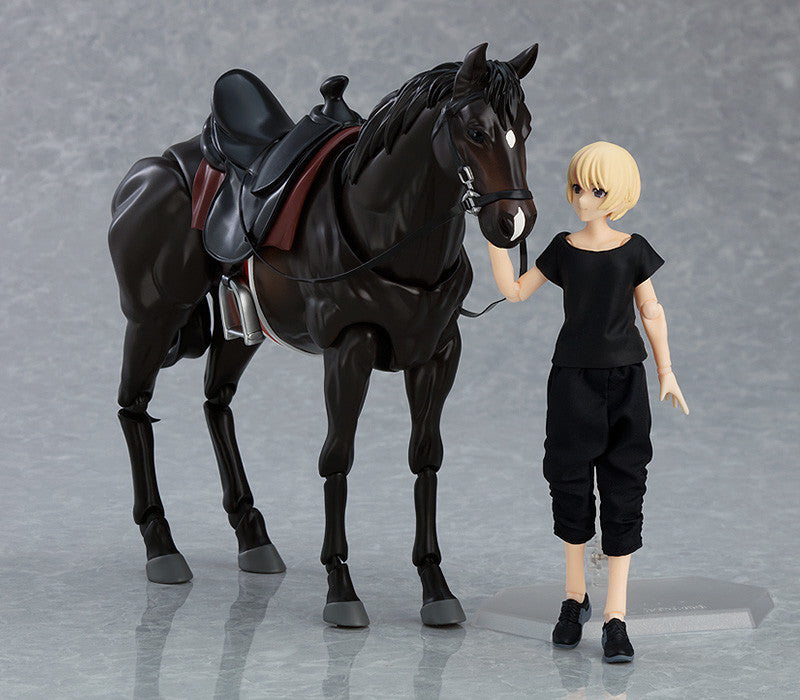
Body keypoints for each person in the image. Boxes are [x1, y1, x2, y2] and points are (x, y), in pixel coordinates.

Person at [487, 141, 688, 663]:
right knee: (569, 483)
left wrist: (666, 371)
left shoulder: (634, 249)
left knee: (625, 486)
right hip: (572, 380)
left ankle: (616, 615)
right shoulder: (562, 247)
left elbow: (652, 311)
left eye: (596, 190)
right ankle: (574, 597)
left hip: (626, 379)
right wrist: (494, 238)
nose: (583, 198)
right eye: (577, 186)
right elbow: (515, 291)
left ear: (619, 194)